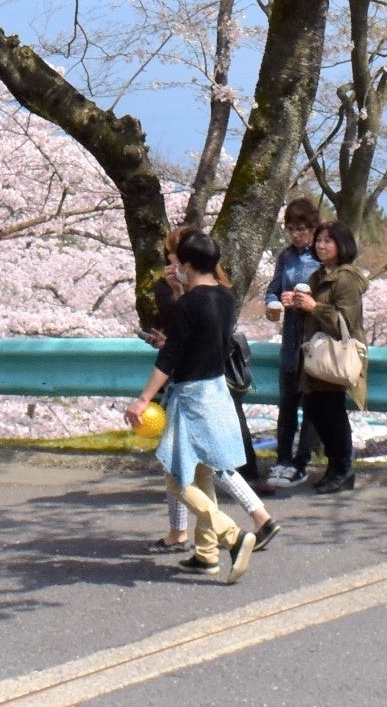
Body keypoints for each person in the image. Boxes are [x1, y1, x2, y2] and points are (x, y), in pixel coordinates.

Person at [128, 230, 279, 583]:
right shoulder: (225, 297)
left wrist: (143, 399)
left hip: (191, 397)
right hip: (216, 391)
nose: (174, 267)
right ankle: (206, 553)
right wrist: (181, 298)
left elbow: (170, 357)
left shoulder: (187, 305)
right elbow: (203, 336)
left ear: (188, 263)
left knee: (177, 477)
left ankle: (233, 536)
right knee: (202, 472)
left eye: (177, 261)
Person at [280, 220, 367, 494]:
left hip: (334, 355)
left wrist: (314, 306)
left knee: (332, 412)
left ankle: (343, 469)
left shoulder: (346, 279)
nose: (322, 245)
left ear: (342, 246)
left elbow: (346, 320)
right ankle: (334, 468)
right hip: (317, 354)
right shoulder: (318, 276)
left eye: (329, 241)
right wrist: (295, 303)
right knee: (317, 410)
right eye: (319, 240)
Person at [265, 199, 322, 482]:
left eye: (301, 228)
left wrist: (308, 301)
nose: (296, 234)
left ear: (313, 228)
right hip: (290, 341)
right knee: (287, 404)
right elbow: (273, 289)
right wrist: (275, 303)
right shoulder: (285, 257)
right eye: (291, 228)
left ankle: (301, 462)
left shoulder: (322, 257)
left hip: (315, 341)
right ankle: (283, 459)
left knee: (311, 406)